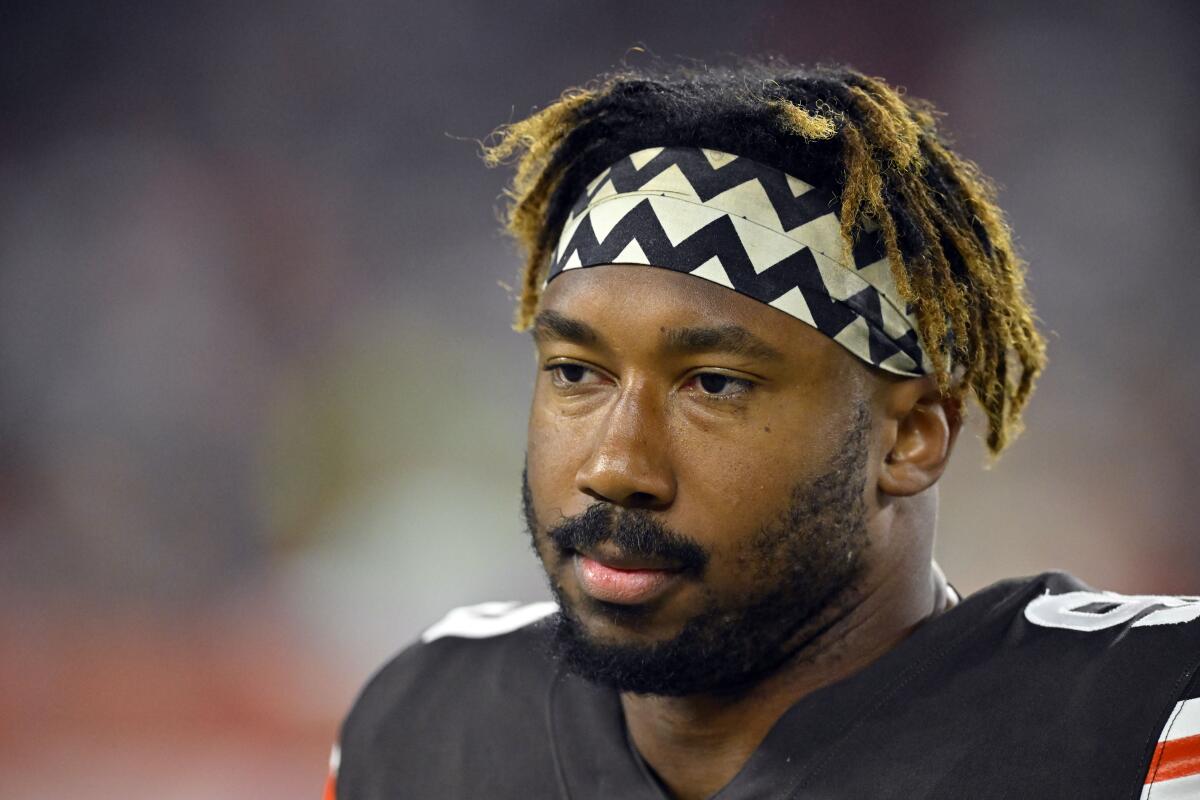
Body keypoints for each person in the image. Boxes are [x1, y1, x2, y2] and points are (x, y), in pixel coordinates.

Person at [324, 63, 1200, 799]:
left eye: (713, 384)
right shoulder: (421, 731)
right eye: (577, 373)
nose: (615, 465)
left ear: (911, 439)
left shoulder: (1149, 726)